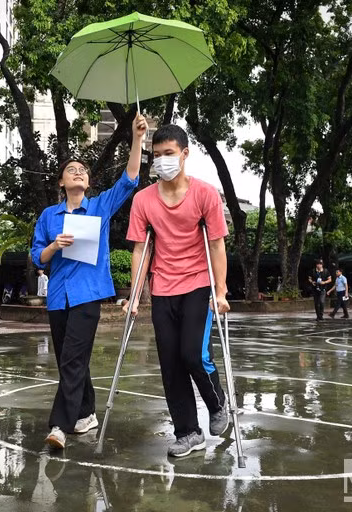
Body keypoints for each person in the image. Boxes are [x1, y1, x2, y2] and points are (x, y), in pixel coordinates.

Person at [30, 112, 146, 450]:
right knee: (71, 357)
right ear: (61, 183)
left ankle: (59, 426)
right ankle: (86, 412)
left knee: (72, 359)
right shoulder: (48, 216)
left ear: (88, 182)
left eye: (83, 170)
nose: (78, 172)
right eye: (71, 170)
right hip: (58, 298)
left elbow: (129, 179)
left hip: (88, 295)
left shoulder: (98, 208)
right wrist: (55, 245)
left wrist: (138, 138)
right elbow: (38, 256)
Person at [124, 123, 231, 458]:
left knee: (192, 354)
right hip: (163, 288)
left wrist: (222, 290)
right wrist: (135, 295)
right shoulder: (143, 200)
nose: (162, 161)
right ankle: (187, 432)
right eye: (156, 156)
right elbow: (141, 250)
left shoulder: (205, 194)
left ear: (184, 154)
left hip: (198, 285)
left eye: (168, 154)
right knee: (170, 364)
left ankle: (217, 402)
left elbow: (216, 244)